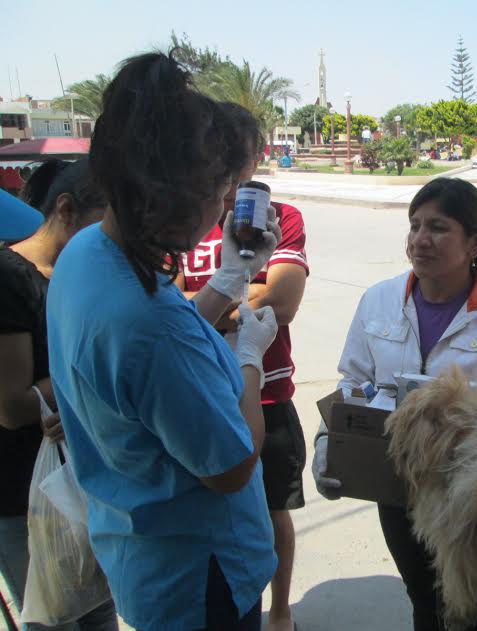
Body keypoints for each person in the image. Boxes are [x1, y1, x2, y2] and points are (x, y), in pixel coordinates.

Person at [45, 51, 282, 631]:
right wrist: (250, 359)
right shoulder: (150, 327)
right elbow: (230, 466)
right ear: (176, 195)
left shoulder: (87, 253)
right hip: (201, 580)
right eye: (221, 191)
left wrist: (229, 280)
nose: (225, 207)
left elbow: (157, 363)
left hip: (141, 553)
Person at [313, 178, 477, 631]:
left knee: (476, 608)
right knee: (423, 595)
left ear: (475, 242)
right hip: (394, 484)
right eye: (415, 225)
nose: (420, 239)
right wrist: (329, 444)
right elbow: (353, 381)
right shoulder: (379, 300)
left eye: (438, 228)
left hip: (468, 501)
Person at [178, 102, 309, 631]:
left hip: (269, 392)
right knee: (211, 506)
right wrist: (239, 292)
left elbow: (282, 302)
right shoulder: (188, 221)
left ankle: (279, 611)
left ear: (257, 158)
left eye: (245, 156)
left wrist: (204, 303)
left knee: (275, 509)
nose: (234, 175)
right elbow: (166, 306)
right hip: (198, 391)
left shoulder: (282, 217)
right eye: (223, 158)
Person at [0, 160, 119, 631]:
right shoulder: (10, 278)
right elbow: (12, 407)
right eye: (101, 228)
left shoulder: (82, 274)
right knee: (53, 621)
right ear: (65, 210)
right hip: (24, 496)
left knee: (99, 611)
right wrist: (86, 375)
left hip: (87, 480)